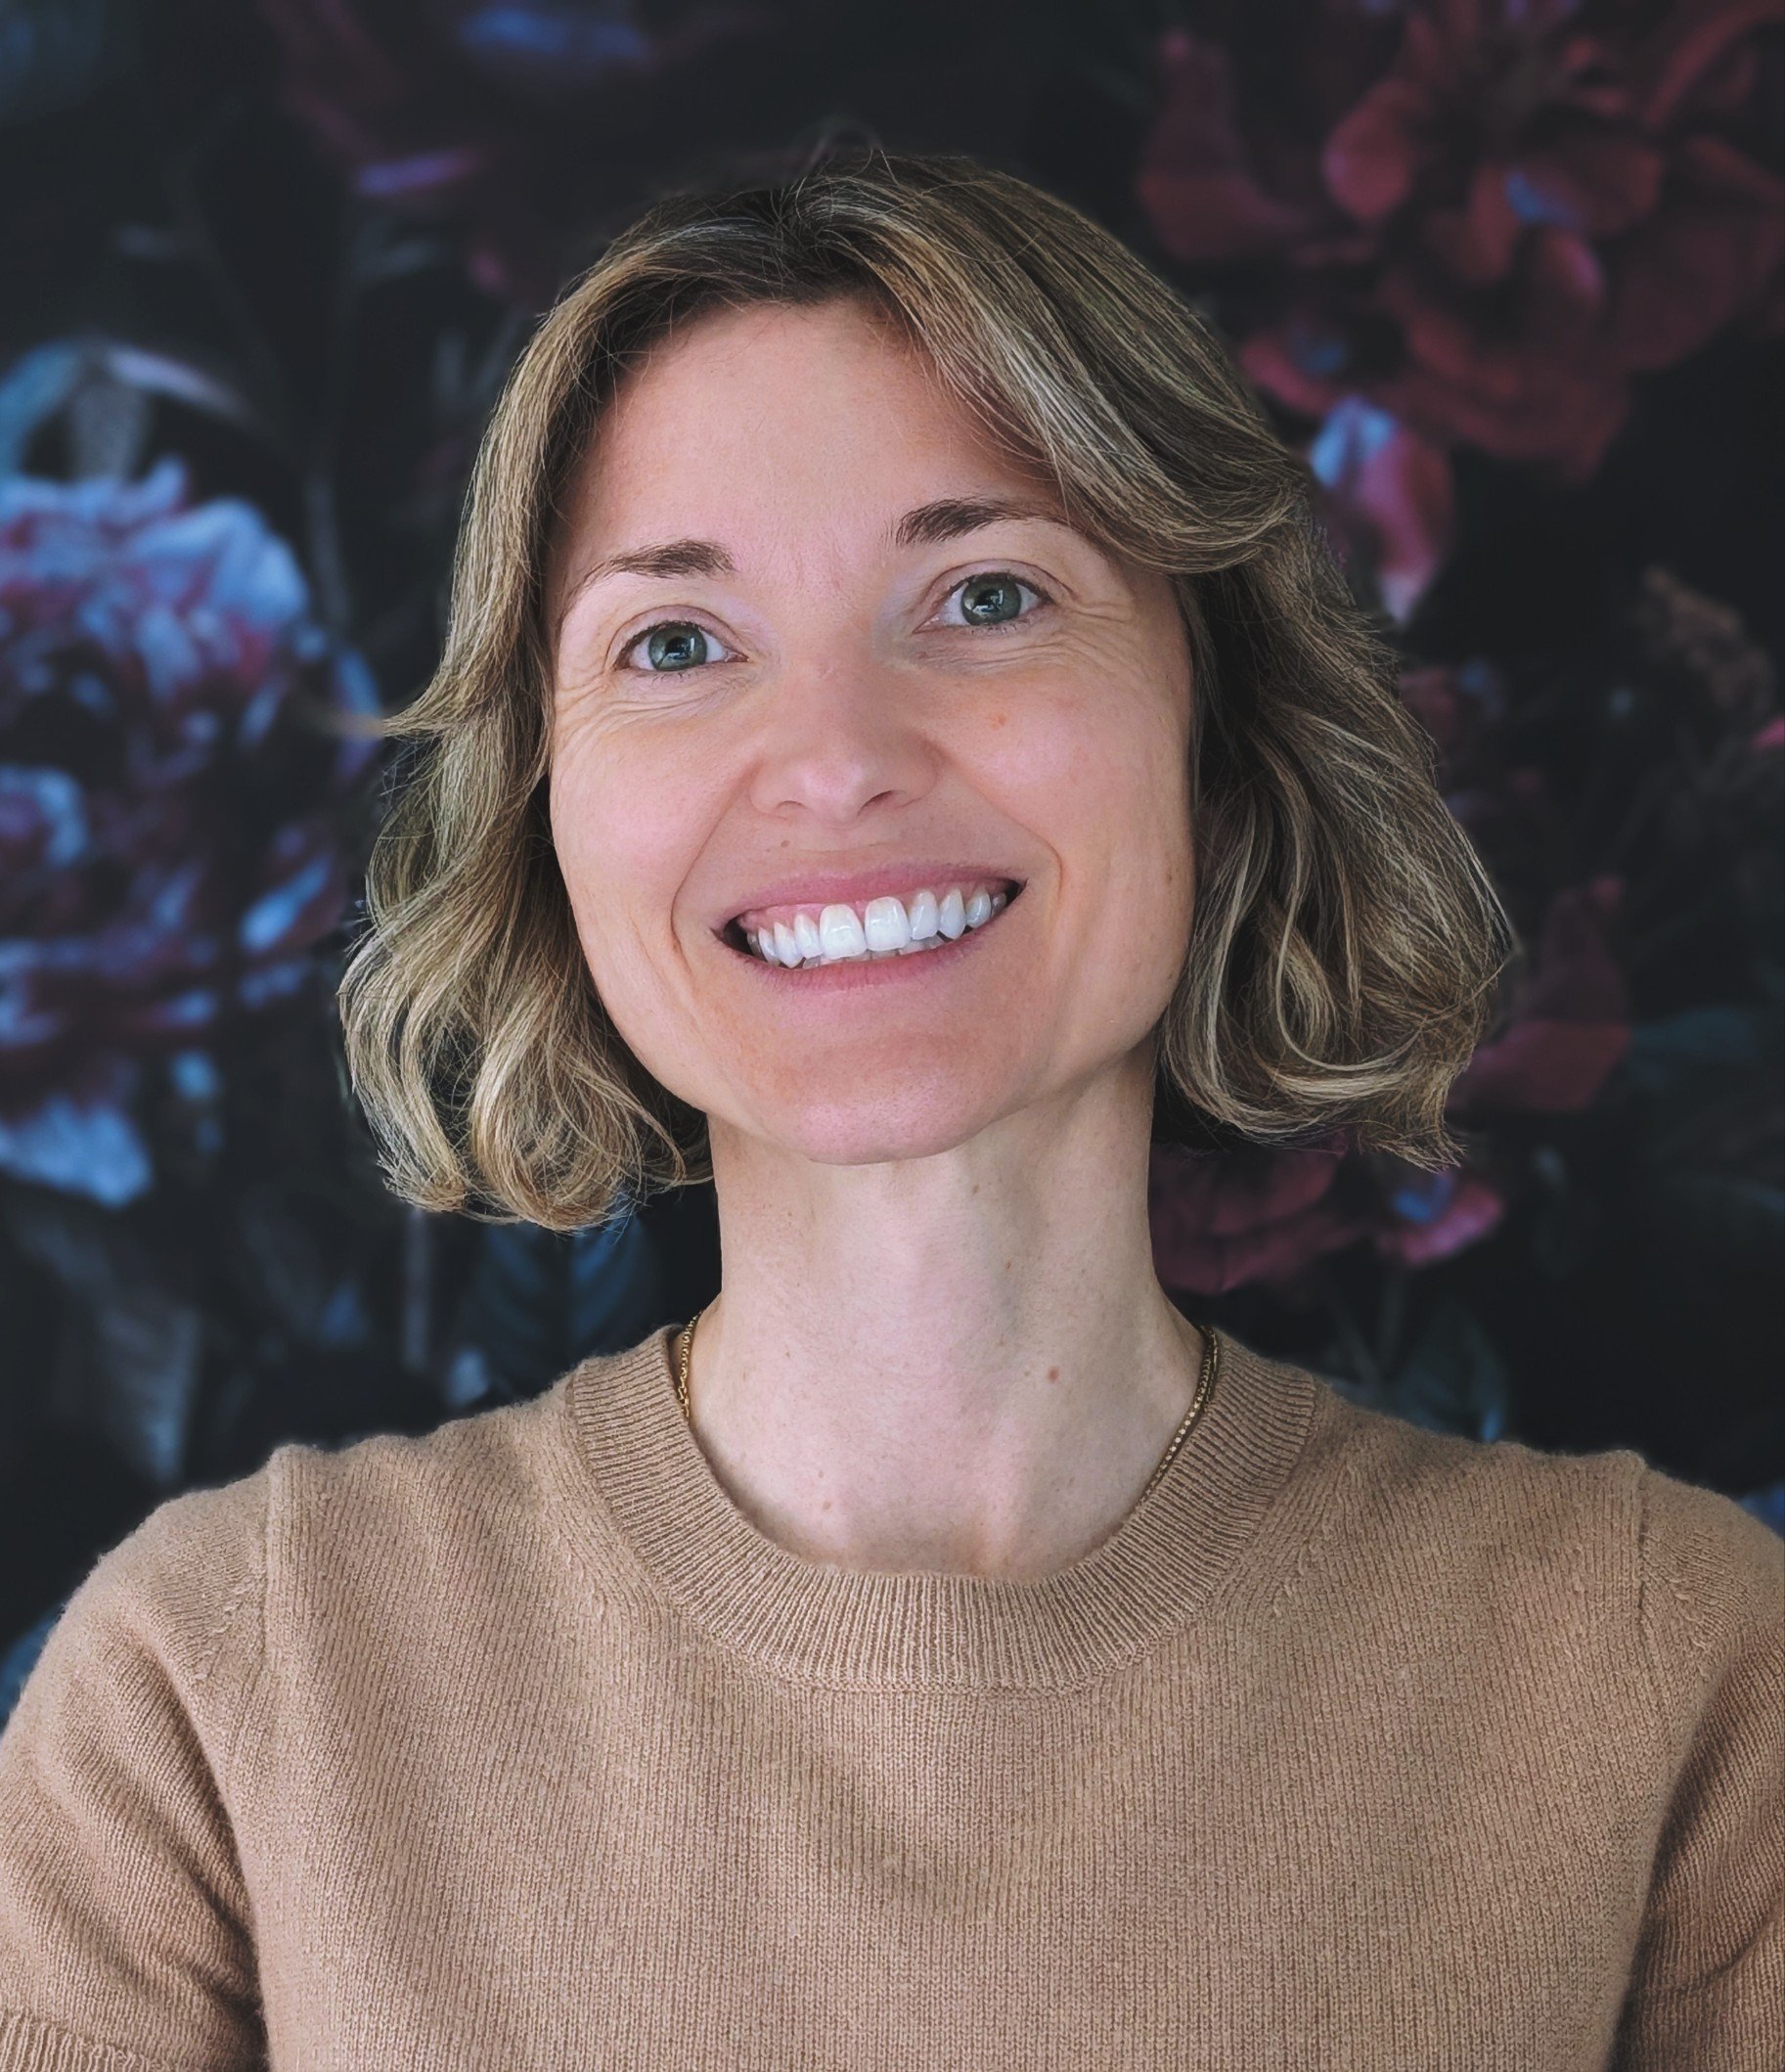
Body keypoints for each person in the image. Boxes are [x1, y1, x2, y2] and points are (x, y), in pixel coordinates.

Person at [0, 150, 1778, 2071]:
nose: (835, 761)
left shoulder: (1661, 1661)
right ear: (542, 806)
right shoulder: (222, 1686)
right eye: (674, 644)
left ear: (1216, 729)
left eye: (987, 595)